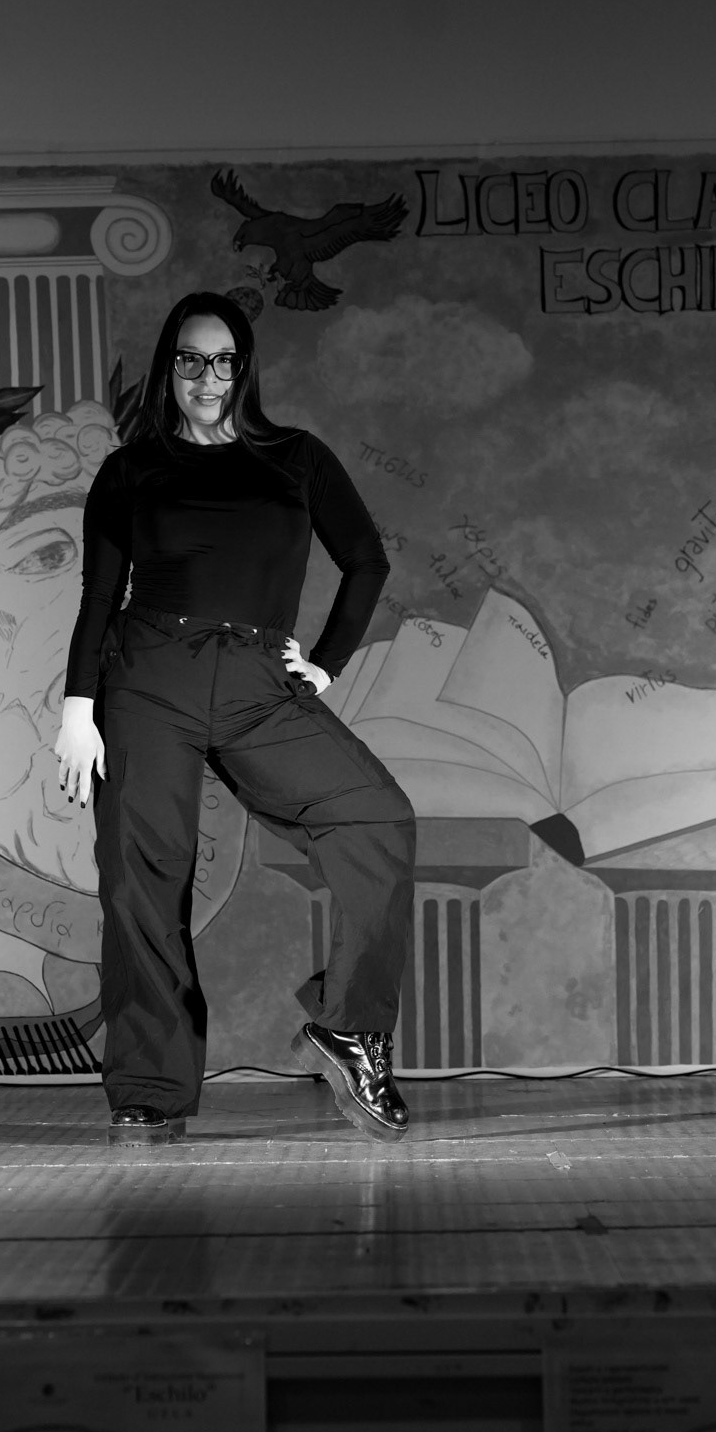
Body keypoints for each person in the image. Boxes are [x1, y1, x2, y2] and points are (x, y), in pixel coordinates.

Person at [54, 290, 416, 1143]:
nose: (207, 377)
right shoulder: (130, 471)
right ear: (169, 367)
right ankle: (151, 1088)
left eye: (223, 361)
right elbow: (99, 594)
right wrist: (78, 708)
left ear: (244, 368)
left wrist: (325, 663)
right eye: (190, 359)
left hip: (258, 679)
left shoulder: (296, 458)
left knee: (378, 817)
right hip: (149, 677)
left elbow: (366, 561)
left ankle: (351, 1028)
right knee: (142, 881)